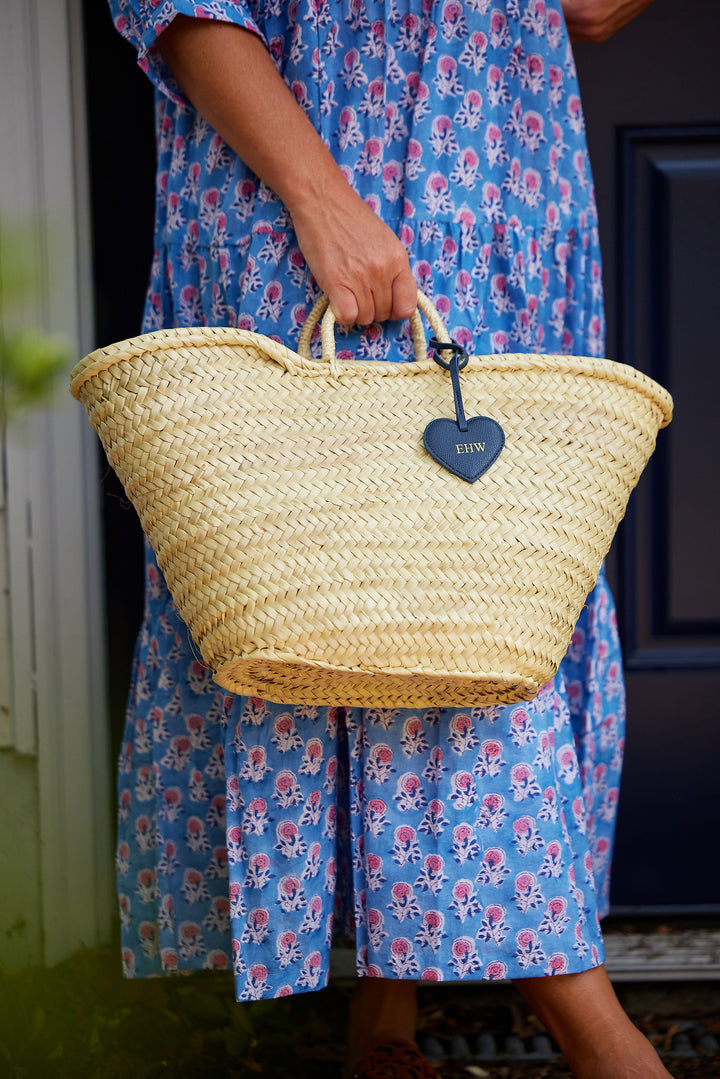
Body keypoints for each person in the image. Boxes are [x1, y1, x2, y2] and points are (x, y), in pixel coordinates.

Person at [108, 0, 671, 1075]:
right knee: (354, 587)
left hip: (504, 185)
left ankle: (384, 1007)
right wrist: (324, 201)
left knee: (480, 583)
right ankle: (596, 1029)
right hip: (310, 180)